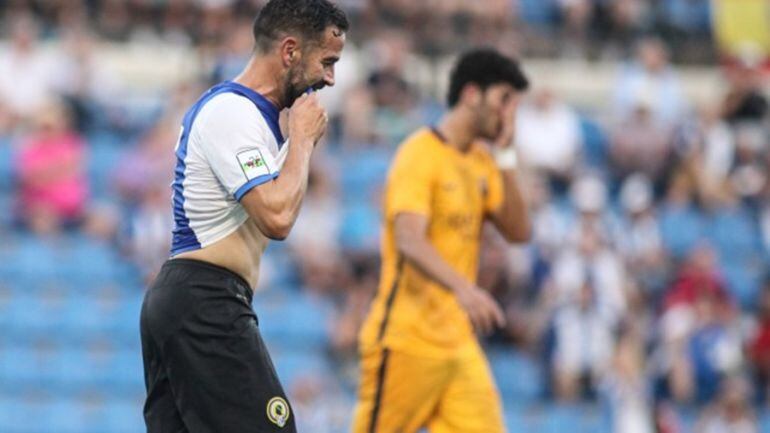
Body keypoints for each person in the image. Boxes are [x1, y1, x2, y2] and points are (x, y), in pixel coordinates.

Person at [139, 1, 348, 432]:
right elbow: (277, 217)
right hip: (204, 300)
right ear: (290, 51)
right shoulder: (233, 113)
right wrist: (303, 141)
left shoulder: (255, 118)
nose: (330, 78)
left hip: (191, 301)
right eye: (326, 61)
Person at [353, 48, 531, 433]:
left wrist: (507, 155)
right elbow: (408, 240)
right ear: (471, 94)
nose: (508, 113)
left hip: (457, 343)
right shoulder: (420, 154)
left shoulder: (482, 163)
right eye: (503, 100)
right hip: (407, 337)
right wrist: (464, 289)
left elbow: (519, 232)